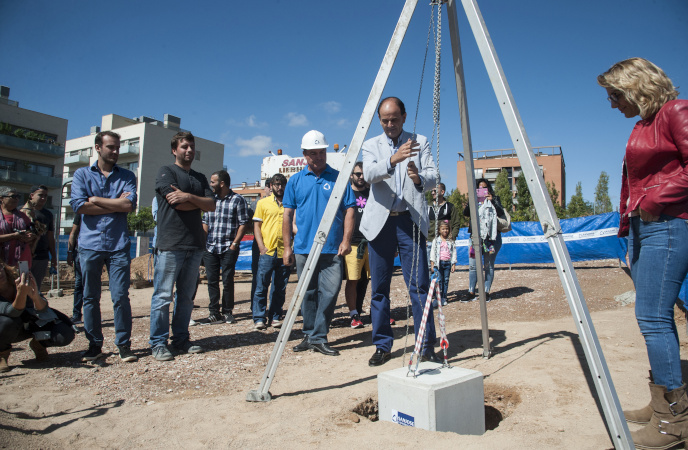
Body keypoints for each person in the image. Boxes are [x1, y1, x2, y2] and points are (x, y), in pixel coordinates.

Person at [598, 57, 688, 449]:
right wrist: (628, 230)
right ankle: (662, 405)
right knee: (651, 316)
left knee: (653, 316)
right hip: (646, 227)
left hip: (668, 224)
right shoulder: (645, 125)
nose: (612, 103)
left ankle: (674, 424)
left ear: (637, 86)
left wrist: (655, 202)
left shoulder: (675, 112)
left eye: (615, 94)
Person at [360, 97, 440, 367]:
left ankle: (426, 345)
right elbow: (369, 174)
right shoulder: (371, 145)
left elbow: (434, 176)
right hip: (380, 224)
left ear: (404, 117)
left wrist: (418, 177)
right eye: (385, 120)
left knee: (418, 286)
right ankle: (382, 344)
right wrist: (393, 159)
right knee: (379, 288)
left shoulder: (420, 141)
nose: (390, 124)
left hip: (409, 221)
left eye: (395, 119)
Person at [282, 130, 355, 356]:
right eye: (312, 153)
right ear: (304, 154)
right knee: (307, 292)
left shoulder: (339, 178)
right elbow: (286, 215)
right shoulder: (295, 181)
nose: (318, 157)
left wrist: (346, 240)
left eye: (321, 152)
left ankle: (319, 335)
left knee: (331, 292)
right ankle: (309, 335)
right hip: (304, 247)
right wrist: (287, 246)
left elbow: (350, 209)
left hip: (332, 248)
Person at [70, 131, 138, 363]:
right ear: (98, 148)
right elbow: (79, 206)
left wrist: (96, 200)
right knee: (90, 297)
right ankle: (94, 344)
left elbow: (128, 205)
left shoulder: (128, 175)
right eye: (111, 147)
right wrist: (115, 204)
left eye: (117, 147)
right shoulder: (81, 174)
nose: (115, 151)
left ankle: (124, 345)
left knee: (120, 296)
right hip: (89, 245)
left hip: (118, 245)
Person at [149, 131, 215, 362]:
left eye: (191, 146)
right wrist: (196, 202)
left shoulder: (200, 177)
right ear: (174, 150)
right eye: (184, 146)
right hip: (170, 244)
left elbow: (211, 205)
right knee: (163, 296)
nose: (189, 150)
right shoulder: (166, 172)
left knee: (186, 297)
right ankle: (157, 343)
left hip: (195, 244)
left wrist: (188, 197)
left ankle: (181, 339)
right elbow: (174, 204)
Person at [0, 260, 75, 372]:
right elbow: (13, 312)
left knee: (65, 333)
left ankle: (39, 344)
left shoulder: (18, 278)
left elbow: (43, 308)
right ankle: (2, 354)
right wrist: (21, 293)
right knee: (6, 322)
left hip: (30, 321)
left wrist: (35, 296)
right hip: (9, 329)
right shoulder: (20, 287)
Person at [197, 170, 248, 326]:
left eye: (213, 182)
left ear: (222, 183)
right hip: (210, 247)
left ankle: (227, 312)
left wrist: (235, 244)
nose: (210, 184)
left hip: (228, 247)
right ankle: (214, 313)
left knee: (227, 280)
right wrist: (202, 243)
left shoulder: (238, 200)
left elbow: (243, 223)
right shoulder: (210, 201)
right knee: (212, 281)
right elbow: (205, 222)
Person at [252, 173, 289, 330]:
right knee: (262, 285)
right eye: (276, 184)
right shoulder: (263, 203)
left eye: (281, 184)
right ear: (271, 186)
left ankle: (275, 316)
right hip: (267, 251)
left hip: (284, 251)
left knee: (280, 287)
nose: (279, 187)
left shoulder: (290, 203)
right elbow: (257, 226)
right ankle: (259, 318)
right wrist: (261, 246)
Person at [463, 178, 504, 302]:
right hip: (475, 237)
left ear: (488, 189)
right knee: (473, 266)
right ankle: (471, 291)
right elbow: (465, 213)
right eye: (479, 188)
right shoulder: (473, 200)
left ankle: (486, 292)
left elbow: (501, 212)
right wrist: (472, 201)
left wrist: (493, 202)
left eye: (484, 187)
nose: (482, 190)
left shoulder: (495, 199)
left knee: (488, 265)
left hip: (490, 238)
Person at [345, 162, 371, 329]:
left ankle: (379, 312)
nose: (361, 177)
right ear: (351, 176)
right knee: (352, 280)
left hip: (372, 243)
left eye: (363, 174)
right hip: (353, 243)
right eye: (357, 174)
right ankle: (354, 314)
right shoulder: (345, 194)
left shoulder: (373, 193)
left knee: (375, 279)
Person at [21, 185, 57, 289]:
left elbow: (50, 237)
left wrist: (53, 257)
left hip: (41, 256)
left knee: (35, 286)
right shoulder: (21, 212)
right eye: (40, 195)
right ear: (32, 195)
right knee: (22, 284)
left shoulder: (48, 214)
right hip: (23, 256)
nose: (43, 198)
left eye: (45, 196)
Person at [0, 186, 36, 267]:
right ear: (1, 198)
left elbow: (31, 232)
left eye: (18, 197)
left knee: (23, 279)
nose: (16, 199)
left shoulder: (22, 216)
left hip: (22, 258)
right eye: (13, 196)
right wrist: (14, 236)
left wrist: (29, 236)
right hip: (2, 259)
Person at [430, 220, 456, 307]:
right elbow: (433, 252)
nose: (445, 231)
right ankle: (437, 298)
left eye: (447, 229)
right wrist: (432, 263)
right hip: (438, 264)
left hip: (447, 263)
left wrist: (453, 264)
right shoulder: (436, 241)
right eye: (443, 229)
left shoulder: (451, 241)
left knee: (446, 280)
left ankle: (444, 297)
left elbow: (454, 252)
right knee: (438, 281)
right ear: (439, 230)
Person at [66, 213, 83, 325]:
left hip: (94, 254)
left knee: (92, 286)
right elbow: (73, 232)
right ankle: (76, 314)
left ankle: (91, 314)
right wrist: (70, 252)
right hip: (80, 253)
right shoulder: (81, 213)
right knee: (79, 285)